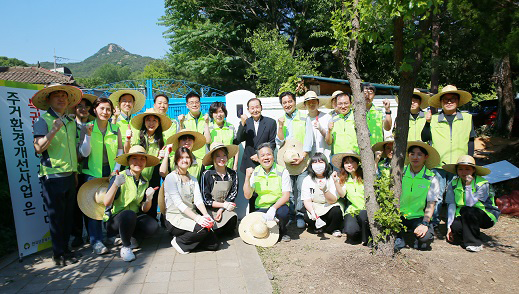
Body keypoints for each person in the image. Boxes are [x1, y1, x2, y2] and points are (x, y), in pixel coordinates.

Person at [32, 84, 83, 265]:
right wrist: (54, 130)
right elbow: (38, 148)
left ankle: (67, 250)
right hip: (52, 176)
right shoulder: (43, 120)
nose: (61, 99)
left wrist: (75, 172)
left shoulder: (70, 121)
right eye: (57, 96)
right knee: (56, 217)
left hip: (69, 175)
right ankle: (58, 254)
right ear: (48, 100)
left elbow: (72, 150)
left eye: (64, 96)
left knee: (68, 216)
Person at [421, 85, 476, 227]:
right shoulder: (432, 119)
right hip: (438, 164)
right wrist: (427, 123)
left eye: (452, 99)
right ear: (441, 102)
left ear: (458, 101)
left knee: (456, 195)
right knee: (436, 196)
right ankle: (433, 222)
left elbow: (471, 141)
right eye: (446, 99)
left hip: (459, 164)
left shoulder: (467, 118)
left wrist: (469, 162)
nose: (449, 102)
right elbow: (424, 137)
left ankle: (454, 224)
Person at [79, 97, 124, 255]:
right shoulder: (87, 127)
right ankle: (96, 241)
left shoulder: (115, 128)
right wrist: (89, 135)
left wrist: (117, 169)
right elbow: (83, 153)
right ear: (95, 110)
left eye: (108, 109)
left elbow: (120, 150)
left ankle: (111, 235)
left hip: (111, 172)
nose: (105, 112)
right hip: (92, 173)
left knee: (110, 205)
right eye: (102, 108)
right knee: (94, 208)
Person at [103, 146, 160, 261]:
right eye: (134, 158)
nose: (138, 162)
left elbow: (144, 209)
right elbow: (106, 202)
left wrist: (149, 199)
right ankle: (125, 247)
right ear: (128, 161)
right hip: (115, 219)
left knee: (153, 227)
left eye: (142, 159)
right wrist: (115, 184)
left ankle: (129, 236)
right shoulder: (119, 176)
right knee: (129, 214)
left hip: (133, 216)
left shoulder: (145, 180)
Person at [164, 147, 218, 254]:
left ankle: (190, 241)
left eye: (187, 157)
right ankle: (180, 242)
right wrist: (198, 218)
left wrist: (206, 215)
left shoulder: (193, 179)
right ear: (176, 160)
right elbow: (178, 204)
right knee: (202, 229)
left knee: (214, 244)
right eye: (181, 157)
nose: (185, 160)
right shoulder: (171, 178)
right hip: (175, 217)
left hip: (190, 215)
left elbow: (198, 200)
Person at [444, 155, 500, 252]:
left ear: (473, 170)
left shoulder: (482, 183)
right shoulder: (453, 183)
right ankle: (471, 234)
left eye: (467, 169)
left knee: (467, 210)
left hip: (485, 215)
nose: (464, 172)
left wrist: (468, 185)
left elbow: (470, 204)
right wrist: (449, 227)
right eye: (460, 169)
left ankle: (474, 243)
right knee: (456, 228)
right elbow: (451, 205)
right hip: (463, 214)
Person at [126, 108, 173, 221]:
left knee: (151, 198)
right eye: (148, 120)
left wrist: (163, 155)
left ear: (159, 123)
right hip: (137, 173)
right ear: (144, 122)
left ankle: (150, 222)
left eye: (154, 120)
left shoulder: (162, 139)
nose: (151, 123)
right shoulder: (137, 135)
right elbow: (128, 152)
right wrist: (127, 139)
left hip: (153, 173)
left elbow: (163, 162)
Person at [395, 141, 441, 251]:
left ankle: (416, 234)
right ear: (408, 155)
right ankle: (400, 237)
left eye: (419, 154)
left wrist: (425, 223)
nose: (415, 157)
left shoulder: (431, 177)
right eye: (412, 154)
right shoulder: (400, 173)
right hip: (398, 216)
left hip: (418, 217)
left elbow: (431, 203)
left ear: (426, 157)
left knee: (426, 238)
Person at [235, 97, 277, 212]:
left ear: (261, 107)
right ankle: (253, 218)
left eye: (257, 107)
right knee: (251, 192)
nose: (255, 110)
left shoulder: (270, 122)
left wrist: (261, 157)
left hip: (264, 161)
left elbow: (272, 143)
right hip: (249, 162)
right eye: (252, 108)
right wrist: (242, 124)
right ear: (248, 109)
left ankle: (269, 215)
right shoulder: (246, 122)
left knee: (266, 189)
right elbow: (237, 140)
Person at [243, 143, 291, 242]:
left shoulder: (282, 171)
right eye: (262, 155)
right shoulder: (255, 172)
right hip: (261, 208)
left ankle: (282, 231)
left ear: (273, 156)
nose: (266, 157)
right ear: (258, 158)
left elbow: (286, 196)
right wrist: (247, 178)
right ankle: (271, 229)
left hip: (278, 206)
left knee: (283, 213)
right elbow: (247, 196)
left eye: (268, 154)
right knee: (257, 225)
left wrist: (273, 208)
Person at [276, 91, 309, 228]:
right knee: (288, 189)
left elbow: (309, 140)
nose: (287, 104)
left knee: (301, 188)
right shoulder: (281, 119)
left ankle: (300, 214)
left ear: (295, 102)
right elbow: (279, 141)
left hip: (302, 159)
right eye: (284, 102)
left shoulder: (304, 118)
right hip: (286, 161)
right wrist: (280, 126)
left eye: (290, 101)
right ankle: (290, 215)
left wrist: (303, 157)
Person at [71, 93, 97, 247]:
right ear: (74, 108)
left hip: (91, 170)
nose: (83, 109)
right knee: (75, 204)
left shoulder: (95, 124)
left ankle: (92, 234)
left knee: (89, 202)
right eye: (80, 106)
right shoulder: (69, 125)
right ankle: (77, 235)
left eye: (86, 106)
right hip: (73, 169)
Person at [331, 152, 372, 246]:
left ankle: (368, 238)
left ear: (358, 163)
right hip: (352, 210)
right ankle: (358, 234)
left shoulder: (366, 177)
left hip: (365, 210)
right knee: (350, 231)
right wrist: (336, 182)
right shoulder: (345, 179)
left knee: (363, 216)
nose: (349, 165)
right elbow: (342, 194)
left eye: (352, 161)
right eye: (346, 162)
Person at [200, 143, 239, 236]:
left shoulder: (233, 174)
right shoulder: (207, 174)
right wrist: (223, 205)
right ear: (213, 158)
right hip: (209, 209)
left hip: (225, 209)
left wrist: (222, 208)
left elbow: (233, 193)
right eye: (218, 156)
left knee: (232, 221)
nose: (222, 159)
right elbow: (205, 200)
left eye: (224, 155)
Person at [301, 153, 344, 236]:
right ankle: (319, 227)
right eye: (315, 162)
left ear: (326, 164)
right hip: (315, 206)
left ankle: (332, 229)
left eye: (321, 162)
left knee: (336, 212)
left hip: (329, 206)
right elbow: (307, 200)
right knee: (307, 216)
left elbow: (333, 200)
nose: (318, 165)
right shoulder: (307, 180)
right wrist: (313, 213)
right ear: (311, 165)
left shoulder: (331, 178)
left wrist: (325, 191)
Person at [203, 102, 239, 170]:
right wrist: (206, 123)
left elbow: (236, 146)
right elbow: (207, 141)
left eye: (221, 112)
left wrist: (235, 165)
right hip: (213, 166)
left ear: (225, 113)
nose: (219, 115)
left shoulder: (231, 127)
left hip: (229, 165)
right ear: (212, 114)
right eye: (215, 113)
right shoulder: (208, 127)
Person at [178, 92, 208, 175]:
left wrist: (207, 122)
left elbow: (208, 140)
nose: (194, 105)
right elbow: (180, 138)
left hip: (204, 158)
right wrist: (181, 123)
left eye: (196, 102)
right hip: (188, 158)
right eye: (191, 103)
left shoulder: (206, 119)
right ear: (187, 105)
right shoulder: (184, 119)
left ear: (200, 104)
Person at [301, 91, 332, 161]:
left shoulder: (327, 117)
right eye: (308, 102)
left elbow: (330, 141)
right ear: (304, 105)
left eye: (314, 101)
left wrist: (321, 129)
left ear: (318, 103)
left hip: (325, 158)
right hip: (309, 160)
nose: (311, 104)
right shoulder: (303, 120)